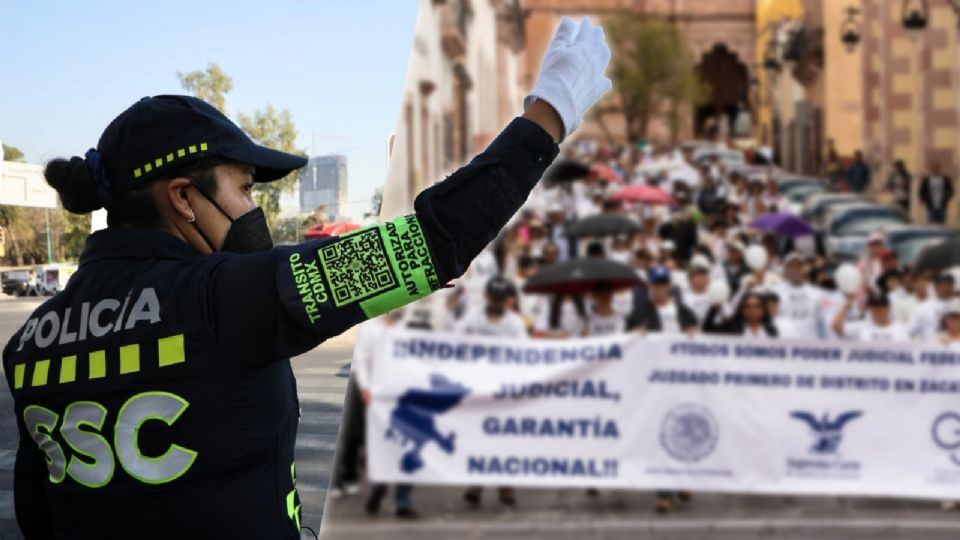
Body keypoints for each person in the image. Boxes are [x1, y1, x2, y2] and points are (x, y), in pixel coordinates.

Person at [4, 17, 612, 538]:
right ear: (184, 198)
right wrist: (550, 111)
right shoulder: (218, 301)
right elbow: (431, 243)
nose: (252, 209)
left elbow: (37, 514)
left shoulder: (28, 341)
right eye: (243, 188)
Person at [458, 276, 527, 508]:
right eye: (494, 298)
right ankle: (476, 485)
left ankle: (506, 487)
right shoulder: (473, 321)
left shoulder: (515, 324)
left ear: (506, 300)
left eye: (501, 299)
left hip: (505, 390)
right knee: (479, 437)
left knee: (504, 438)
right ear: (487, 296)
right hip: (479, 389)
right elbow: (455, 345)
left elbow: (525, 354)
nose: (497, 303)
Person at [832, 293, 908, 342]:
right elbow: (836, 327)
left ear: (888, 309)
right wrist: (846, 306)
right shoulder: (862, 326)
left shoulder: (900, 329)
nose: (877, 311)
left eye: (880, 308)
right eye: (874, 308)